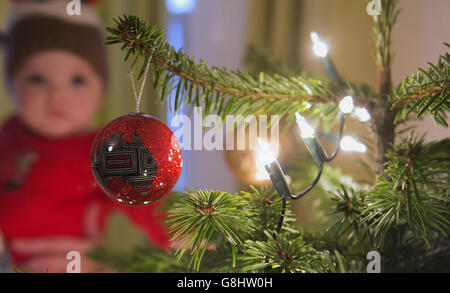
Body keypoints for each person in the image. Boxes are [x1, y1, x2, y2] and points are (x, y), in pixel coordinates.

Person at [0, 0, 170, 273]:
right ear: (13, 85)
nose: (57, 95)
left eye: (77, 80)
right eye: (37, 79)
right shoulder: (9, 133)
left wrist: (192, 238)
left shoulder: (104, 150)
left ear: (101, 93)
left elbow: (148, 201)